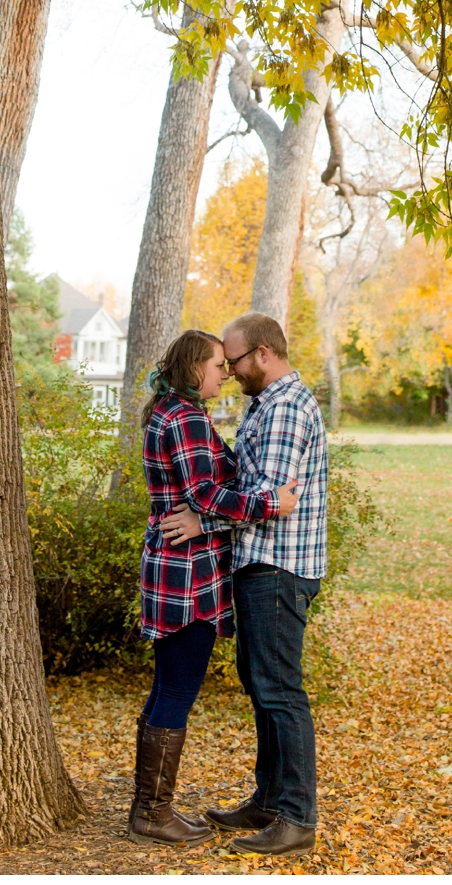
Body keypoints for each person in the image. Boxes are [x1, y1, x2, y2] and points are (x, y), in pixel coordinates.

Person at [160, 311, 331, 857]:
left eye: (232, 360)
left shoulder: (284, 410)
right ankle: (268, 798)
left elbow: (267, 498)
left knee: (279, 689)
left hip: (278, 566)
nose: (229, 372)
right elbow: (243, 483)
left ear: (262, 353)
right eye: (222, 364)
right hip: (260, 563)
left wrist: (200, 521)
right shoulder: (267, 405)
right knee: (261, 685)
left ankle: (297, 817)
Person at [133, 329, 298, 846]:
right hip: (187, 574)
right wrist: (272, 505)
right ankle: (152, 813)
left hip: (183, 565)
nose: (225, 372)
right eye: (217, 365)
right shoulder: (182, 418)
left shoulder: (182, 413)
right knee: (177, 690)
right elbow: (206, 494)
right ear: (193, 368)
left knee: (167, 687)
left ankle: (149, 807)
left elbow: (214, 482)